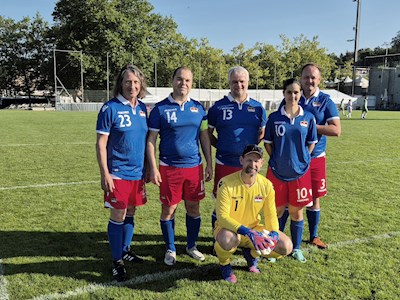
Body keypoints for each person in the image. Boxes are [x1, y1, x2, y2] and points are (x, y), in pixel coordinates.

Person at [147, 66, 213, 266]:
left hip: (194, 168)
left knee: (194, 207)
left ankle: (191, 246)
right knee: (169, 209)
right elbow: (151, 139)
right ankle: (171, 248)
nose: (183, 83)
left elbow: (204, 136)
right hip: (169, 168)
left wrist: (209, 163)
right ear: (172, 80)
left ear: (191, 84)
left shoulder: (199, 108)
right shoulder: (160, 109)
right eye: (179, 79)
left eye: (187, 80)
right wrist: (153, 168)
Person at [96, 64, 148, 282]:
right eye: (128, 81)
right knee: (118, 214)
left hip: (138, 173)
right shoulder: (110, 108)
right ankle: (116, 261)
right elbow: (100, 143)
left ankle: (125, 249)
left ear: (140, 85)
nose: (132, 86)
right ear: (121, 83)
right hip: (118, 172)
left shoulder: (143, 108)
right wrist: (105, 174)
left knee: (131, 212)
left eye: (136, 82)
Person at [214, 144, 292, 283]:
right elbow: (222, 217)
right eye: (249, 160)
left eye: (256, 161)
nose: (252, 164)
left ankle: (251, 254)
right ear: (241, 160)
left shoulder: (266, 185)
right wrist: (247, 231)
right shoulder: (226, 183)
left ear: (261, 163)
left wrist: (273, 232)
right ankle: (225, 264)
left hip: (254, 230)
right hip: (230, 230)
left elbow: (270, 214)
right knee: (227, 240)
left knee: (285, 246)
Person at [264, 78, 318, 262]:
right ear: (283, 94)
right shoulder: (274, 117)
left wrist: (301, 159)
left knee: (296, 212)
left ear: (300, 94)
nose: (293, 96)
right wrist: (278, 160)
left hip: (300, 173)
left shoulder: (308, 117)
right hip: (277, 172)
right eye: (289, 92)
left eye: (296, 92)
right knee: (276, 212)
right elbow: (268, 144)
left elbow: (310, 144)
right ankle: (274, 248)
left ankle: (295, 248)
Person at [208, 66, 267, 233]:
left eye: (242, 81)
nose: (238, 85)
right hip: (224, 162)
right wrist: (221, 146)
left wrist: (250, 151)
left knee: (246, 202)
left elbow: (262, 132)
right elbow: (207, 134)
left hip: (248, 165)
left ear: (248, 82)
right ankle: (217, 238)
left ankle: (244, 237)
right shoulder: (217, 108)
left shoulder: (258, 108)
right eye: (235, 81)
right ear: (229, 83)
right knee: (221, 202)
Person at [290, 63, 341, 250]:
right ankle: (285, 237)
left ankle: (314, 236)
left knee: (315, 198)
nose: (309, 81)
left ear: (319, 80)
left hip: (316, 157)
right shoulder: (293, 96)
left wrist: (310, 126)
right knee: (292, 198)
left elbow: (336, 130)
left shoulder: (326, 101)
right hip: (294, 157)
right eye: (306, 77)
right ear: (301, 79)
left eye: (313, 77)